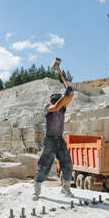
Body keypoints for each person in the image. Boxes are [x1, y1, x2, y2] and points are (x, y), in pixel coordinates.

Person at [33, 67, 75, 201]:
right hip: (49, 140)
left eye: (59, 101)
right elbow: (57, 105)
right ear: (51, 101)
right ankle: (37, 190)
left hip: (60, 140)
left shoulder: (62, 109)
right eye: (55, 100)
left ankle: (66, 188)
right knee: (44, 164)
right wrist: (65, 95)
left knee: (67, 163)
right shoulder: (48, 108)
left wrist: (65, 84)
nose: (59, 103)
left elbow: (70, 96)